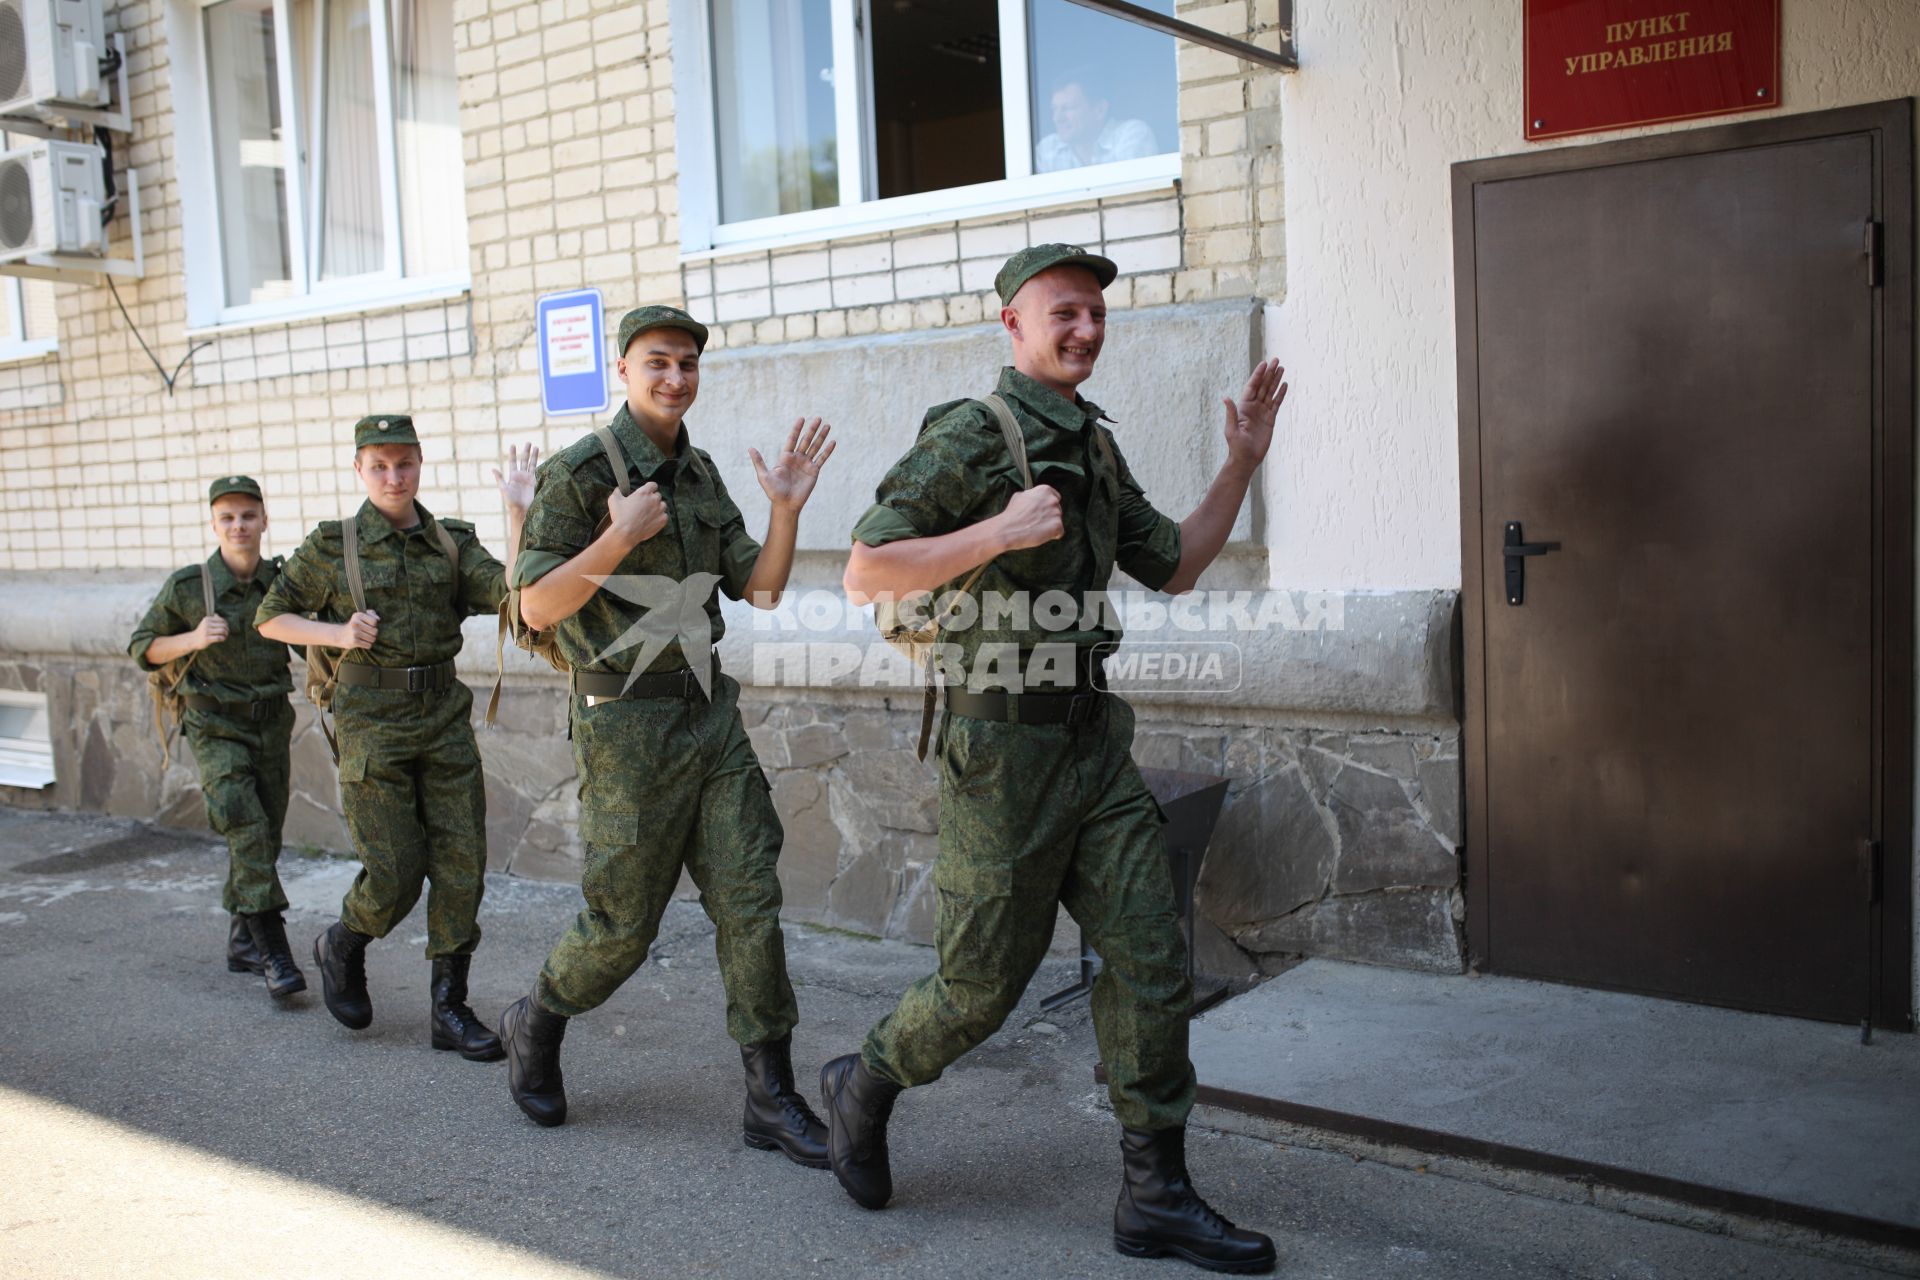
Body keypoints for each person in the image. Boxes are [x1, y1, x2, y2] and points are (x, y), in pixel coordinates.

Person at [826, 245, 1287, 1274]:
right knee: (980, 988)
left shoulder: (1092, 441)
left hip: (1091, 743)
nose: (1083, 329)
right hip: (999, 750)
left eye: (1094, 313)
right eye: (1062, 312)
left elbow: (1174, 564)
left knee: (1151, 961)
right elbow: (866, 569)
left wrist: (1243, 460)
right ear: (1013, 325)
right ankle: (866, 1079)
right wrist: (994, 529)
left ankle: (1154, 1195)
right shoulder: (973, 435)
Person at [497, 305, 837, 1171]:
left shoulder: (702, 473)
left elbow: (757, 592)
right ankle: (536, 1019)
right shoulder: (580, 475)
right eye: (658, 362)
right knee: (621, 928)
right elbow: (533, 607)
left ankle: (770, 1094)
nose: (675, 378)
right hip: (624, 726)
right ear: (624, 370)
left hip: (707, 715)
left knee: (749, 902)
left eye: (688, 363)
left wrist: (785, 511)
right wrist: (616, 536)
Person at [255, 416, 534, 1061]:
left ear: (419, 463)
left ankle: (449, 1007)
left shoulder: (451, 542)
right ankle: (344, 943)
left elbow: (513, 598)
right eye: (378, 465)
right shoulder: (334, 545)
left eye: (403, 463)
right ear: (359, 469)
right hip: (370, 724)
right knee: (396, 871)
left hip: (442, 718)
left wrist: (516, 515)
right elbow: (270, 618)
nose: (392, 476)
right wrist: (335, 634)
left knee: (462, 863)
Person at [130, 475, 303, 1001]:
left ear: (264, 520)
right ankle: (272, 947)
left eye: (248, 516)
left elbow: (308, 632)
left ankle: (240, 942)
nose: (238, 526)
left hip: (271, 721)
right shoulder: (190, 587)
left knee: (265, 832)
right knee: (244, 821)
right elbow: (142, 646)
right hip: (214, 723)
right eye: (227, 517)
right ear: (214, 524)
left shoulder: (281, 582)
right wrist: (193, 638)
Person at [1035, 72, 1158, 173]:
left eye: (1068, 108)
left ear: (1099, 110)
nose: (1057, 118)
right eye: (1054, 109)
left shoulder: (1131, 135)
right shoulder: (1048, 149)